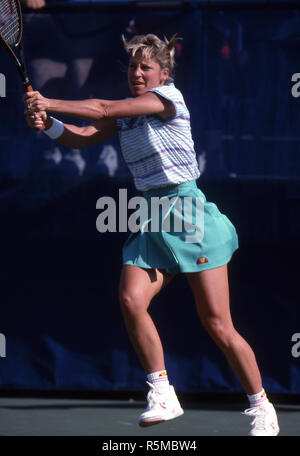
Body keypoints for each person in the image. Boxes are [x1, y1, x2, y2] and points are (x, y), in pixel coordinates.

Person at [24, 33, 279, 436]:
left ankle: (261, 406)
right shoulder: (127, 115)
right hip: (150, 213)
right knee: (130, 298)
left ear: (164, 73)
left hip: (189, 214)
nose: (138, 73)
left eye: (146, 67)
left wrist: (49, 100)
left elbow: (102, 107)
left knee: (218, 325)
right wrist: (50, 125)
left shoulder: (169, 100)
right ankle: (162, 391)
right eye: (132, 67)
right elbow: (84, 136)